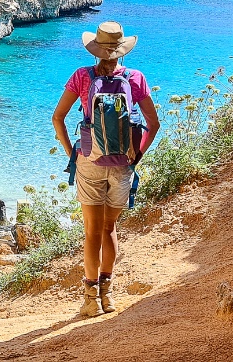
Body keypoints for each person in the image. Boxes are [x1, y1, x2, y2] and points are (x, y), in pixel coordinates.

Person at [51, 21, 160, 317]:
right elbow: (154, 125)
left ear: (96, 50)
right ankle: (108, 295)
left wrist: (74, 154)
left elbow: (57, 118)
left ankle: (90, 299)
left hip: (90, 161)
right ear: (121, 51)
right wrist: (135, 156)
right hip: (123, 163)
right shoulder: (135, 78)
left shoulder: (81, 76)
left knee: (91, 233)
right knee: (110, 228)